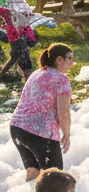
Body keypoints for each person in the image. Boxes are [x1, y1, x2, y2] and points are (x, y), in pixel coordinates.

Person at [9, 44, 74, 180]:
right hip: (39, 133)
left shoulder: (37, 73)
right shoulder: (61, 79)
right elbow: (64, 113)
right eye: (70, 58)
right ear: (59, 60)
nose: (72, 63)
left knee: (33, 174)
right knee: (56, 178)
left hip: (17, 128)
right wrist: (67, 134)